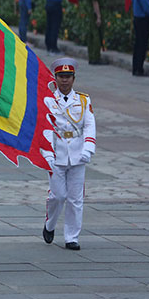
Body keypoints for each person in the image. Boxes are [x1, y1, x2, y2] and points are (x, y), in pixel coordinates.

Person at [42, 58, 96, 251]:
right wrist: (46, 151)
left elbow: (89, 125)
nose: (64, 81)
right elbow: (45, 127)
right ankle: (49, 224)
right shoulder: (48, 100)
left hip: (77, 152)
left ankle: (71, 237)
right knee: (58, 196)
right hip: (56, 152)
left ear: (74, 78)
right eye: (61, 77)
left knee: (75, 197)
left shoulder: (83, 100)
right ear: (55, 78)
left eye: (68, 77)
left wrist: (88, 149)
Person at [82, 0, 105, 64]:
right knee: (96, 35)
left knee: (91, 35)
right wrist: (99, 16)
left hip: (90, 12)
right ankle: (96, 57)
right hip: (94, 13)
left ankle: (92, 56)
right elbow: (95, 1)